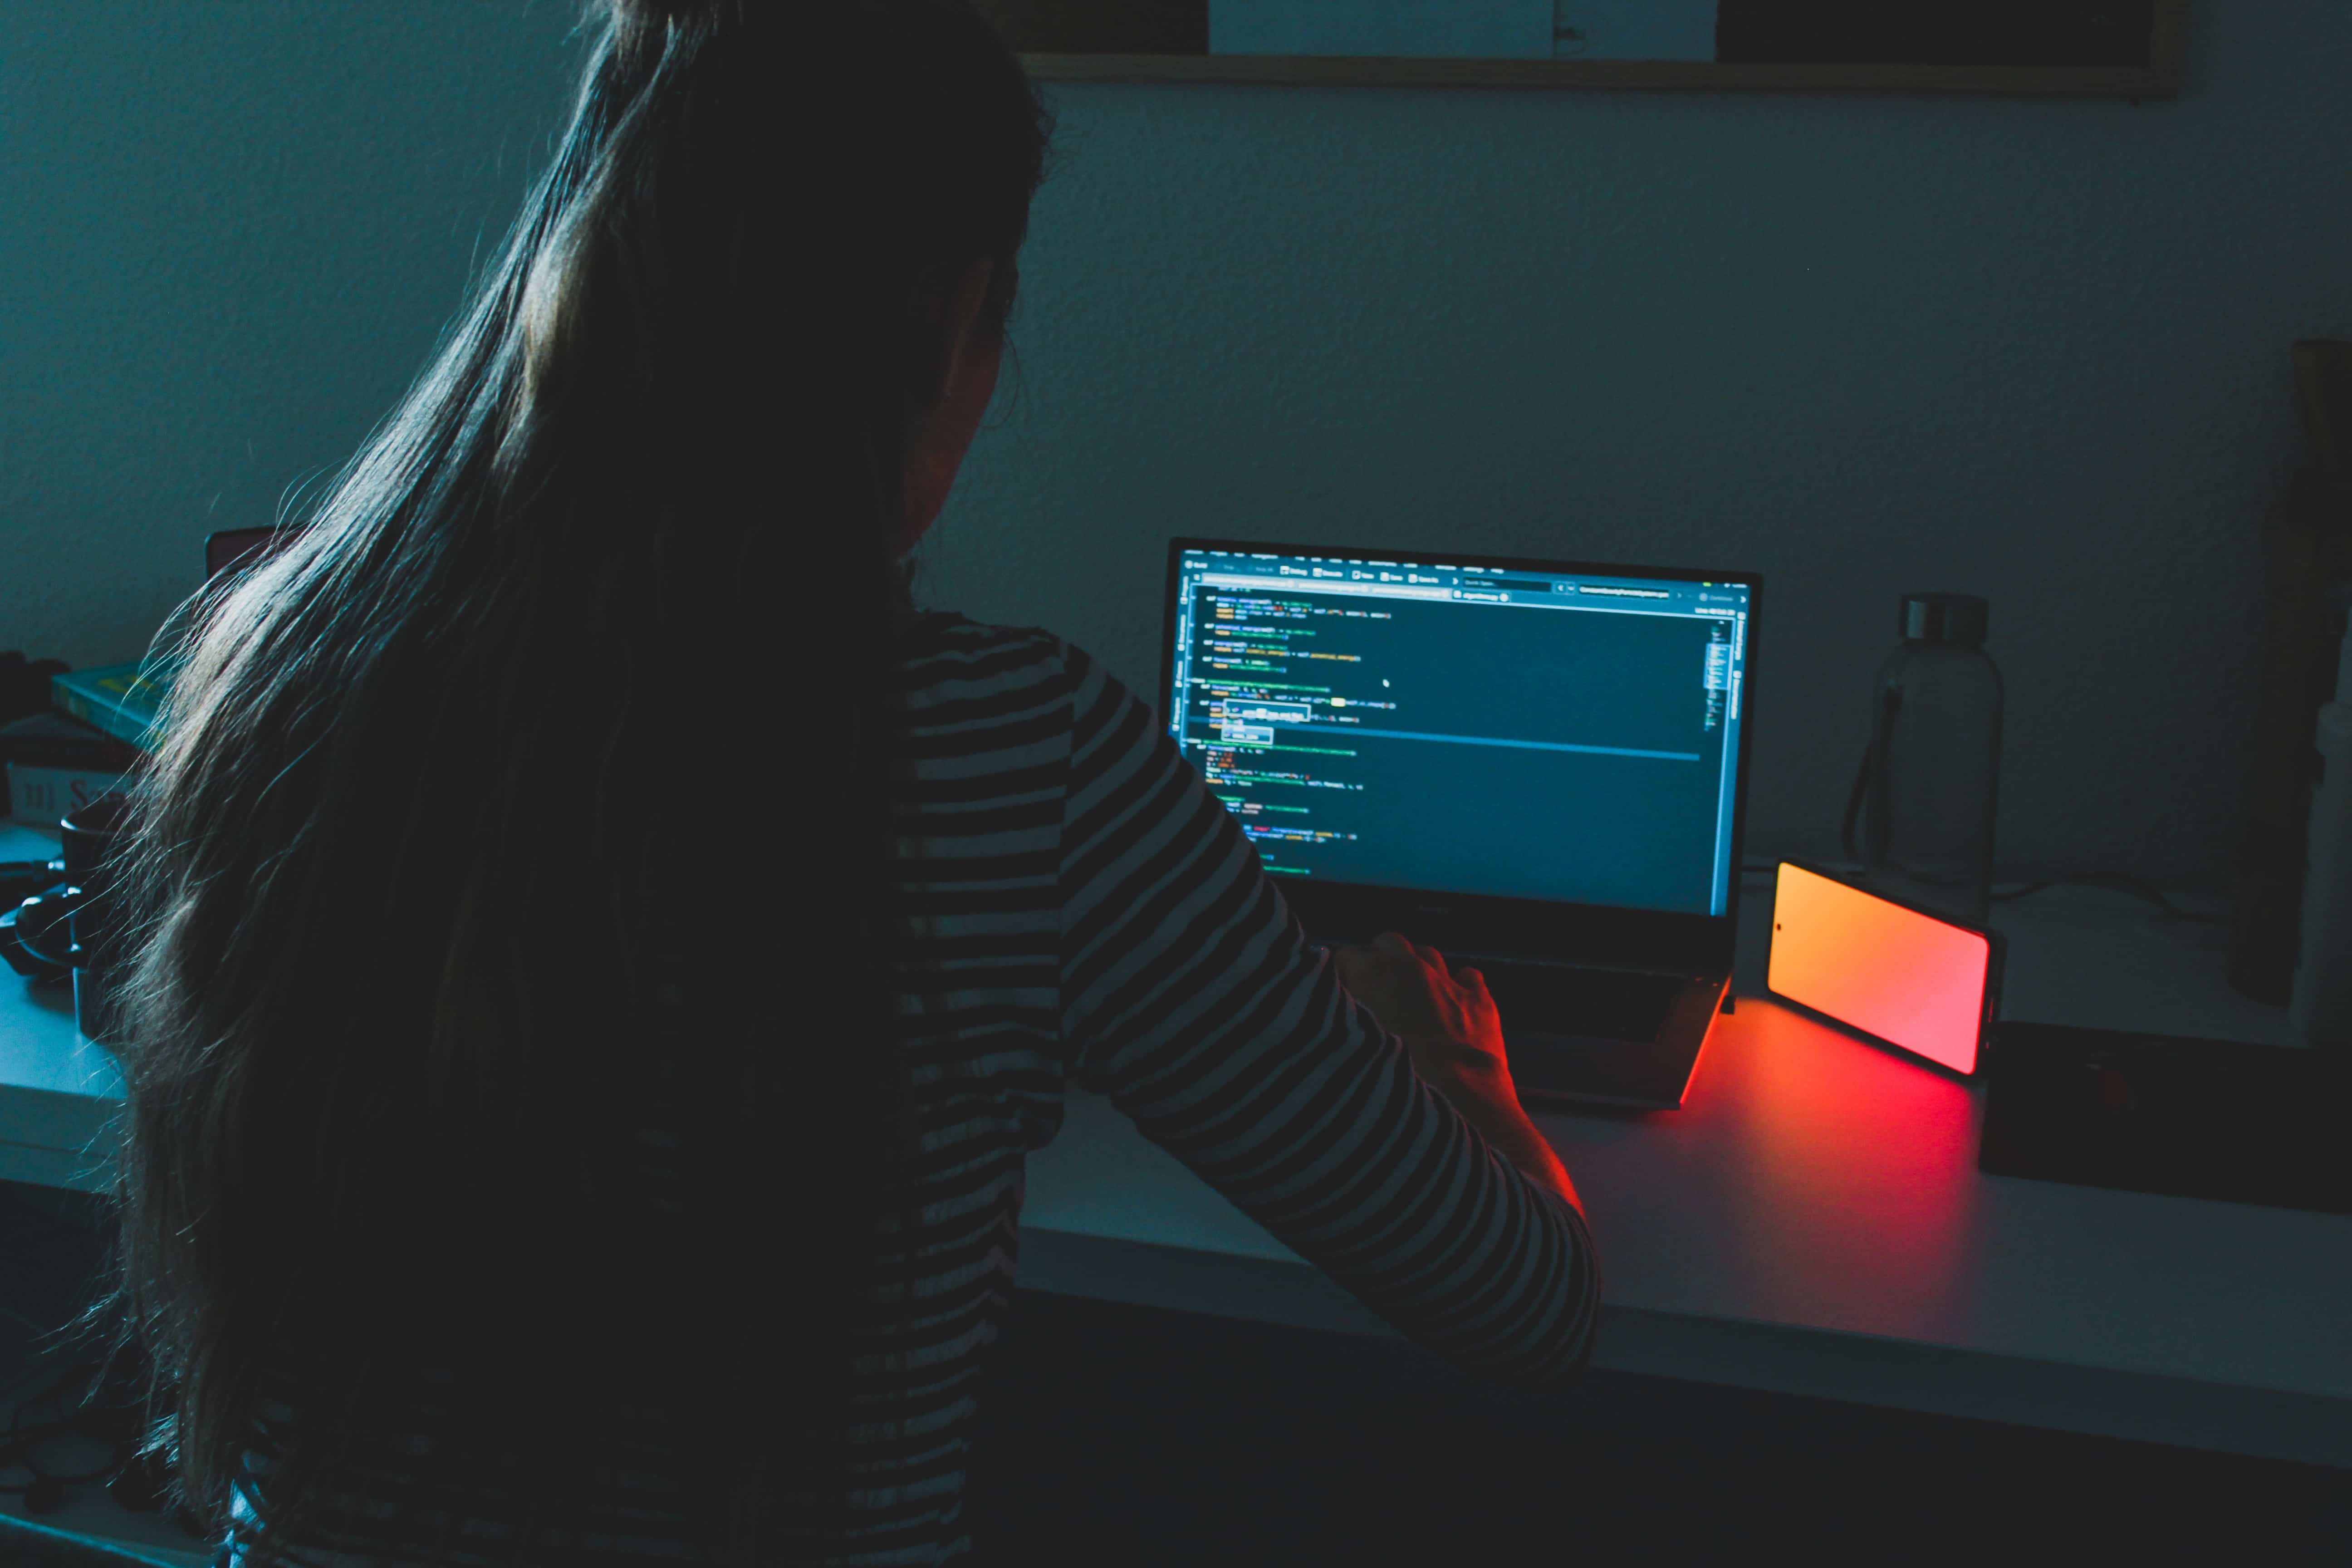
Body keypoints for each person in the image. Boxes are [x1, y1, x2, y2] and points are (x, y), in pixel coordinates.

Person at [76, 2, 1598, 1563]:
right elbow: (1524, 1304)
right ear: (944, 330)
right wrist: (1462, 1068)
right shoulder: (1023, 764)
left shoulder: (272, 669)